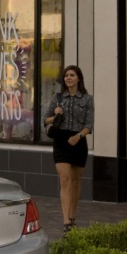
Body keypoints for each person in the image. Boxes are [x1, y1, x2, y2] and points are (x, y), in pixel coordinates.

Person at [43, 65, 94, 233]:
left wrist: (79, 136)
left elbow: (89, 125)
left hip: (78, 141)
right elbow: (45, 120)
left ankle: (73, 217)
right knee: (65, 179)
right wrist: (55, 114)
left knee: (76, 181)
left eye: (72, 75)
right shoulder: (58, 98)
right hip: (61, 141)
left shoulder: (87, 99)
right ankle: (66, 222)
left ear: (78, 78)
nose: (68, 78)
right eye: (66, 76)